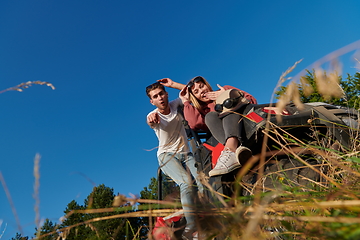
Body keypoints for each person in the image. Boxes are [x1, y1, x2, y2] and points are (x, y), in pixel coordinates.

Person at [158, 76, 257, 177]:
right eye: (196, 92)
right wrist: (186, 101)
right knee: (210, 116)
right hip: (221, 136)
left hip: (245, 126)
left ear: (207, 85)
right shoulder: (202, 110)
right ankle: (235, 151)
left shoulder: (224, 89)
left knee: (227, 104)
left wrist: (225, 95)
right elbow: (194, 123)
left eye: (202, 86)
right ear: (194, 97)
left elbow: (252, 101)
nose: (201, 91)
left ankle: (231, 150)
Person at [146, 82, 204, 238]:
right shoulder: (153, 115)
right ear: (152, 101)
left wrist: (172, 84)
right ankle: (191, 228)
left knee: (202, 180)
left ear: (166, 94)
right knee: (185, 182)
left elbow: (190, 91)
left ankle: (209, 215)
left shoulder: (175, 104)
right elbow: (150, 121)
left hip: (186, 154)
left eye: (161, 94)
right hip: (167, 156)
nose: (160, 98)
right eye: (155, 97)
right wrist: (151, 120)